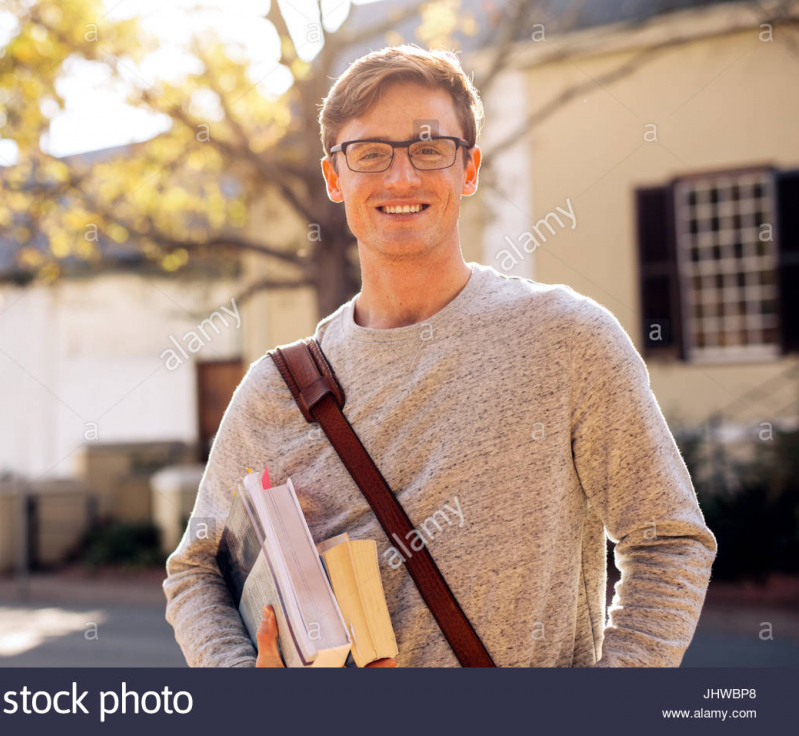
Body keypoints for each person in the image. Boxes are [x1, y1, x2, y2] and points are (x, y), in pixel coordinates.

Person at [162, 44, 717, 668]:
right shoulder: (278, 389)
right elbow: (195, 572)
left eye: (429, 149)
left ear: (469, 168)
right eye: (370, 153)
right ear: (334, 176)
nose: (401, 178)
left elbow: (669, 540)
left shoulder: (568, 340)